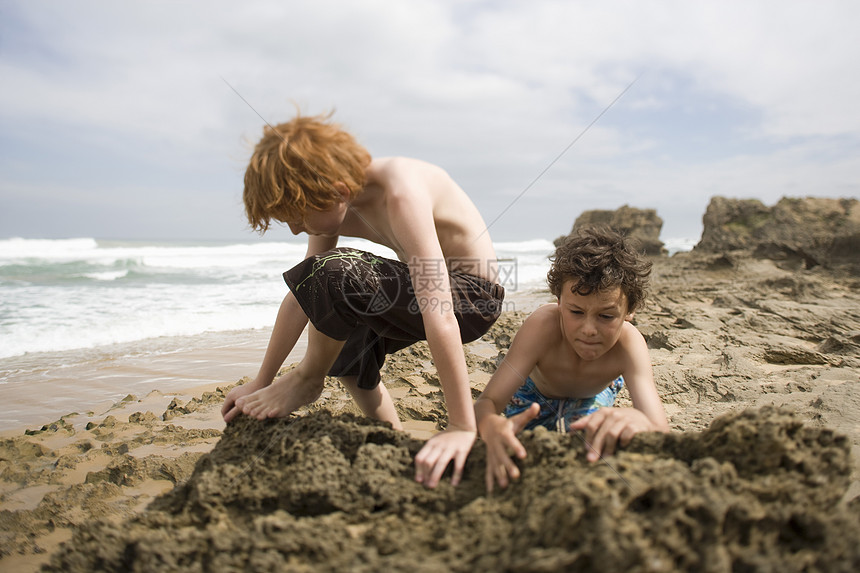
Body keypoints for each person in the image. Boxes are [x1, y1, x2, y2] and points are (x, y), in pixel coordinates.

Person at [221, 112, 504, 489]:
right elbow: (305, 291)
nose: (294, 229)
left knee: (336, 273)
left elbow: (440, 313)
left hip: (471, 299)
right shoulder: (335, 205)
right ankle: (392, 440)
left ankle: (309, 378)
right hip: (426, 296)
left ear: (337, 192)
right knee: (340, 332)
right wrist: (261, 380)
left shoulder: (401, 193)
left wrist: (461, 425)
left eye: (297, 218)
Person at [474, 227, 669, 492]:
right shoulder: (542, 326)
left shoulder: (629, 344)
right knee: (519, 451)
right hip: (533, 393)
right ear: (559, 302)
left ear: (629, 312)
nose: (589, 329)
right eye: (576, 311)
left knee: (594, 451)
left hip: (593, 396)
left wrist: (640, 421)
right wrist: (491, 425)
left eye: (606, 316)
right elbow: (487, 402)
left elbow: (660, 430)